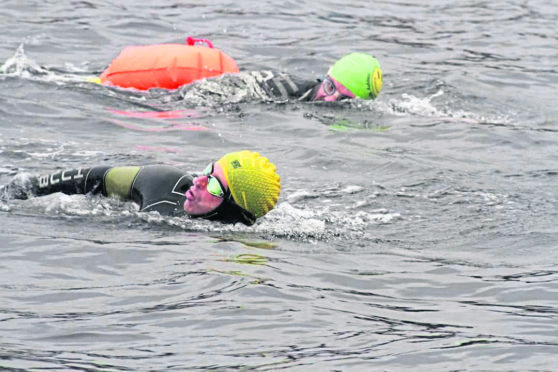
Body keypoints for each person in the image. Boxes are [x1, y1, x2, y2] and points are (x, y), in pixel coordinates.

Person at [0, 151, 280, 226]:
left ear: (235, 207)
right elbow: (91, 177)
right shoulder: (162, 183)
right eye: (207, 170)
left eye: (215, 185)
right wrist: (15, 192)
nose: (199, 181)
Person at [175, 52, 383, 105]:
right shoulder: (284, 87)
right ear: (325, 77)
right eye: (330, 88)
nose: (330, 99)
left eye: (343, 98)